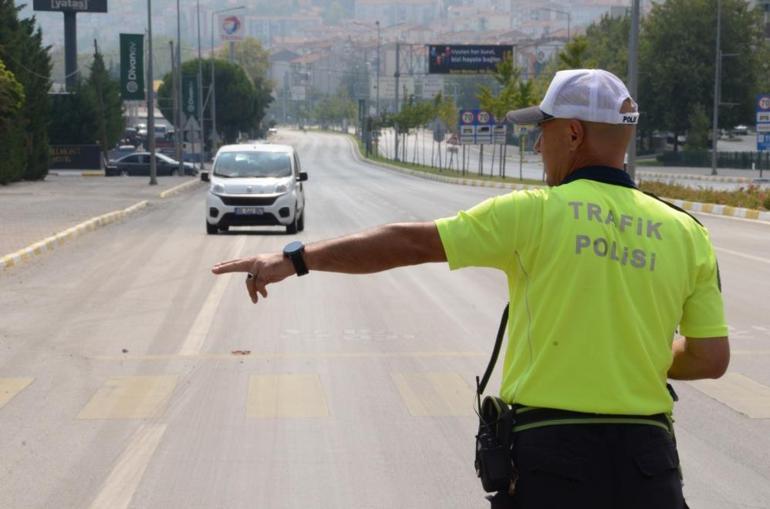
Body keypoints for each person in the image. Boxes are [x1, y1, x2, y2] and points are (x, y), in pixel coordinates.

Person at [212, 69, 729, 509]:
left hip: (553, 459)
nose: (535, 143)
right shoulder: (687, 233)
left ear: (573, 134)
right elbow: (709, 357)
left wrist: (295, 258)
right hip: (649, 464)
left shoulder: (533, 213)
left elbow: (406, 244)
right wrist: (633, 352)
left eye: (542, 130)